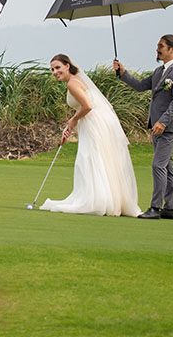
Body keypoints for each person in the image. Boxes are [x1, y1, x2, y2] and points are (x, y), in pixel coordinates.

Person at [39, 54, 141, 217]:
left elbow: (87, 106)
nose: (54, 72)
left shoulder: (73, 83)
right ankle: (108, 200)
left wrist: (72, 121)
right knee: (99, 158)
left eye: (57, 67)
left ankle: (99, 201)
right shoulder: (76, 80)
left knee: (90, 157)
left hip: (94, 122)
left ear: (67, 65)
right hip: (96, 121)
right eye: (52, 69)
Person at [113, 34, 173, 220]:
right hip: (156, 126)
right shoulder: (158, 72)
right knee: (167, 167)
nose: (157, 49)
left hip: (168, 127)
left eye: (161, 46)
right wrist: (122, 73)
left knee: (158, 165)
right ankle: (169, 209)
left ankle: (155, 208)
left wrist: (163, 121)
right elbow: (139, 86)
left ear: (172, 49)